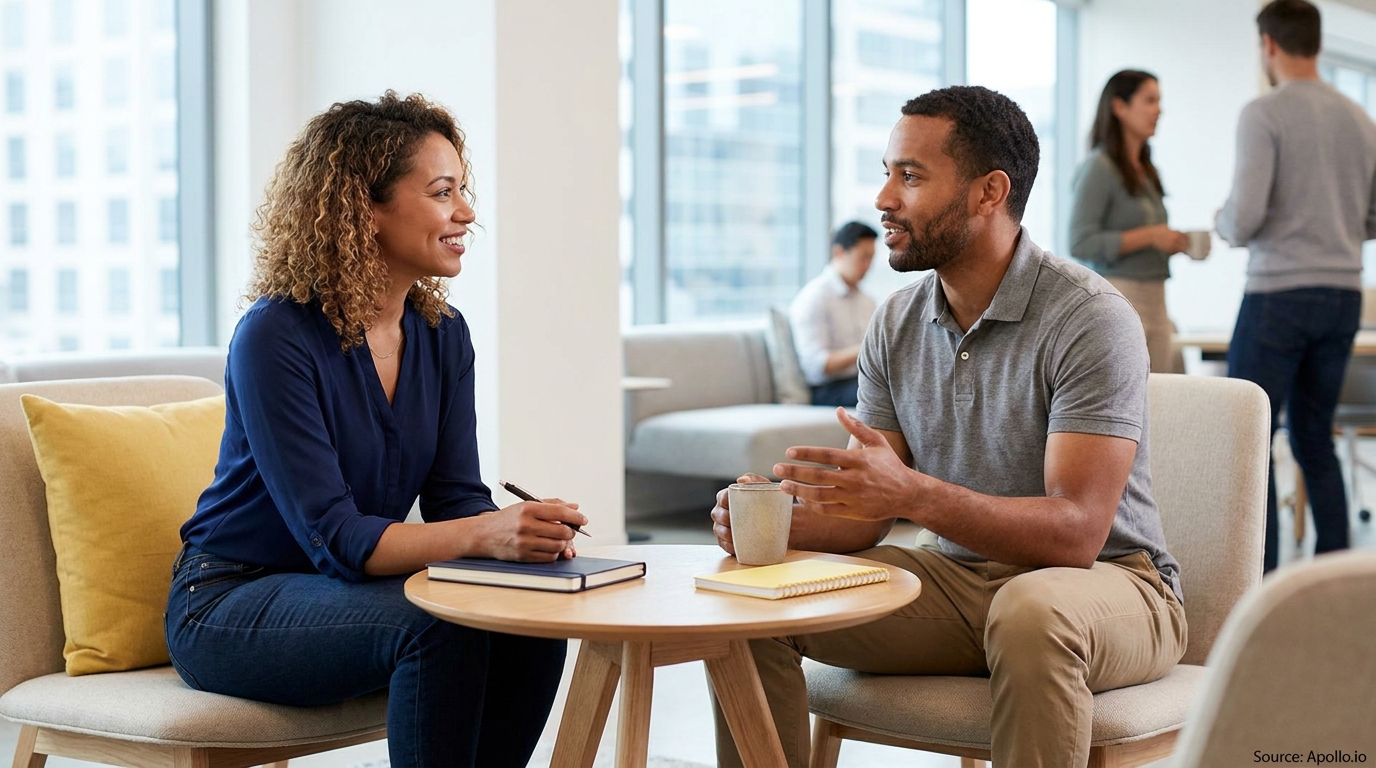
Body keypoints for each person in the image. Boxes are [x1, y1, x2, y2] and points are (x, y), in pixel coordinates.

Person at [709, 85, 1186, 768]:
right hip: (955, 582)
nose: (883, 200)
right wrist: (772, 524)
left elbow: (1078, 533)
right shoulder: (897, 321)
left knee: (1031, 611)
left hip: (1114, 584)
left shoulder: (1088, 317)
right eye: (885, 173)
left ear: (989, 192)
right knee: (759, 600)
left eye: (910, 176)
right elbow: (865, 519)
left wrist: (912, 496)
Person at [165, 92, 589, 768]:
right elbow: (335, 538)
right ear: (365, 207)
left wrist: (520, 543)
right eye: (443, 192)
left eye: (463, 191)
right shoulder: (274, 336)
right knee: (439, 626)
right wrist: (484, 535)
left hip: (349, 594)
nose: (467, 213)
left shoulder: (442, 335)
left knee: (524, 618)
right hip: (229, 602)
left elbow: (455, 497)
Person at [1217, 0, 1376, 572]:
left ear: (1269, 46)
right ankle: (1336, 578)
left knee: (1250, 438)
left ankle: (1257, 583)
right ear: (1317, 42)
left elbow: (1245, 216)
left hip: (1278, 294)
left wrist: (1221, 222)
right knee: (1315, 436)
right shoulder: (1360, 118)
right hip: (1342, 293)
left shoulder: (1264, 113)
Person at [1070, 70, 1190, 373]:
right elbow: (1080, 242)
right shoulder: (1099, 167)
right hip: (1121, 295)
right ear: (1119, 107)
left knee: (1161, 398)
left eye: (1159, 101)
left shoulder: (1148, 170)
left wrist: (1169, 242)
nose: (1159, 110)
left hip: (1157, 295)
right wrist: (1150, 236)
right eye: (1150, 100)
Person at [789, 221, 879, 406]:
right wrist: (866, 349)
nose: (868, 265)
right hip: (829, 390)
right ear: (839, 252)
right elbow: (815, 367)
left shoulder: (866, 300)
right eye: (863, 257)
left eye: (872, 258)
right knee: (892, 394)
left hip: (862, 380)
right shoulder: (815, 297)